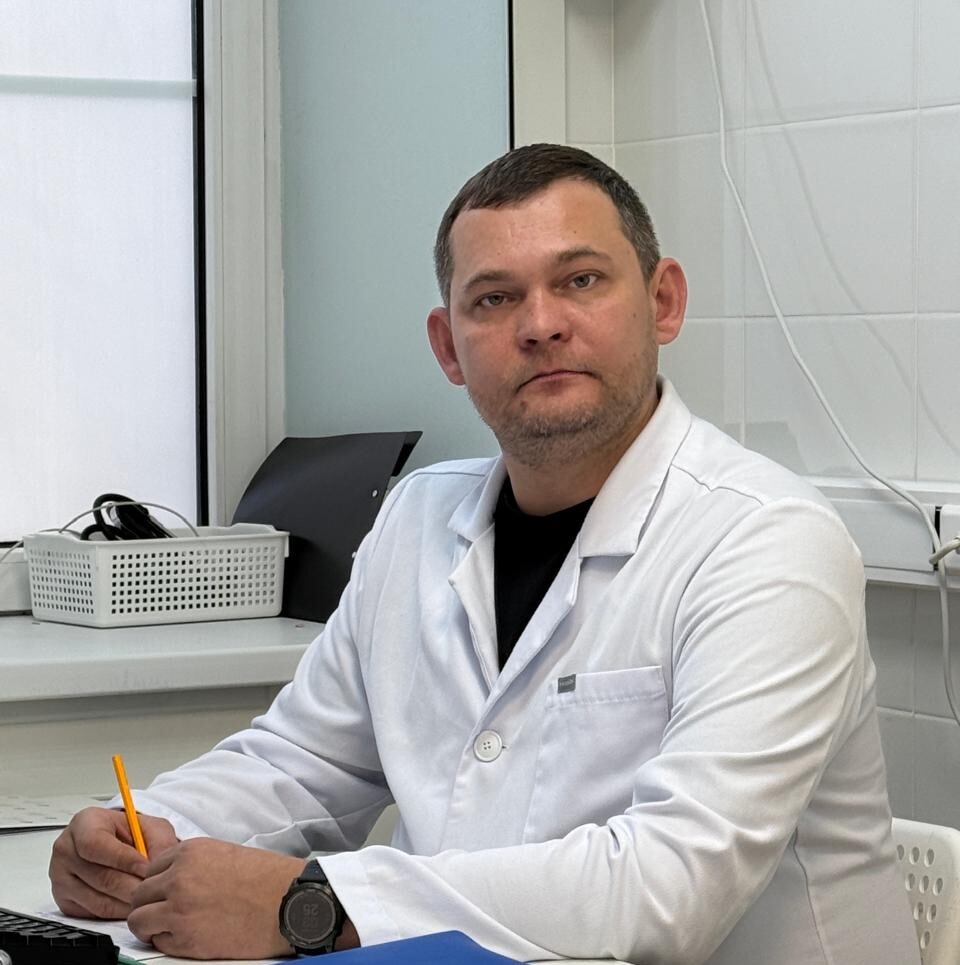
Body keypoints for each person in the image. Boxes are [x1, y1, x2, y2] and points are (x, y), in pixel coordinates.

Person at [49, 144, 919, 965]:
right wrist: (140, 829)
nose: (540, 325)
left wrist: (307, 904)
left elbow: (671, 884)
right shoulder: (418, 516)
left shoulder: (767, 540)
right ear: (448, 347)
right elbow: (306, 763)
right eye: (494, 299)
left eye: (580, 280)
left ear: (663, 302)